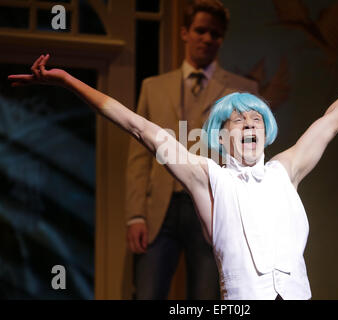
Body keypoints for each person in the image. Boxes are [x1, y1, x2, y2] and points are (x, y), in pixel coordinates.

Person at [8, 54, 338, 299]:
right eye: (238, 121)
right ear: (221, 137)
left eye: (256, 118)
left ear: (267, 130)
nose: (248, 124)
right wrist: (65, 80)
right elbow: (137, 127)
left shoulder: (284, 170)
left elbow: (335, 119)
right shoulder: (209, 178)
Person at [125, 0, 258, 299]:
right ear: (185, 32)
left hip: (215, 207)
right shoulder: (153, 87)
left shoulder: (242, 90)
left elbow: (252, 158)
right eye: (200, 30)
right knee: (147, 293)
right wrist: (136, 215)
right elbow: (139, 157)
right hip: (161, 207)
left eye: (215, 33)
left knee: (207, 297)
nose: (207, 38)